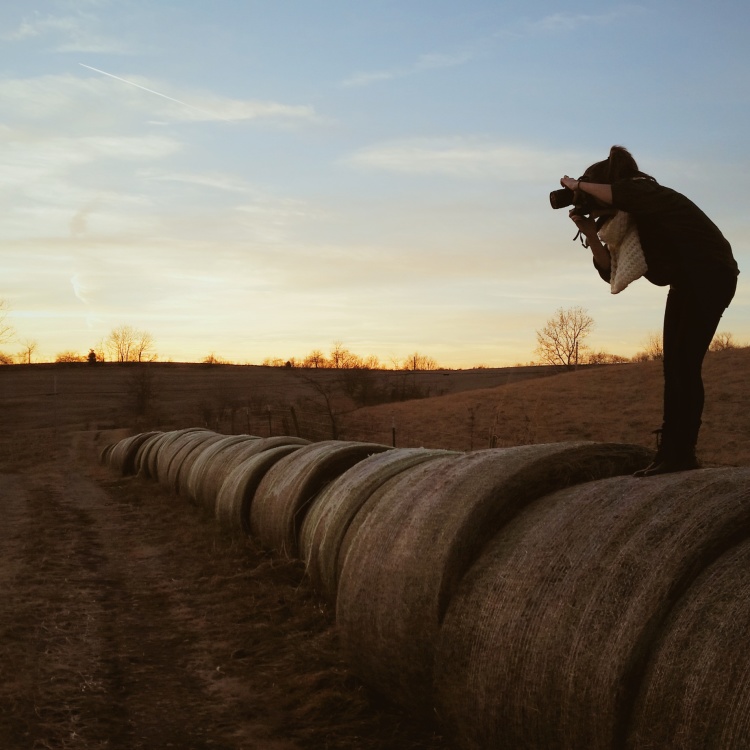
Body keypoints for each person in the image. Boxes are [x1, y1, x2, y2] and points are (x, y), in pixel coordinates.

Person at [560, 145, 739, 476]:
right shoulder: (626, 220)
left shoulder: (646, 192)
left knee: (684, 364)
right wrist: (590, 235)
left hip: (711, 273)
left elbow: (625, 193)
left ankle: (680, 452)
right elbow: (610, 271)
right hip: (687, 282)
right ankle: (672, 452)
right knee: (674, 367)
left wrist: (578, 185)